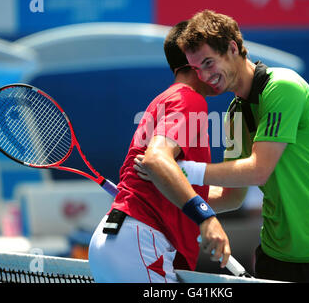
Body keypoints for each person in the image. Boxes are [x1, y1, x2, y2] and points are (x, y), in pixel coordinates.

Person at [137, 10, 309, 283]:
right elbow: (233, 196)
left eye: (209, 63)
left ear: (233, 48)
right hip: (274, 254)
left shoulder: (283, 87)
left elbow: (258, 170)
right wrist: (172, 195)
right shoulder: (234, 113)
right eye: (197, 69)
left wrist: (182, 170)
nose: (205, 76)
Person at [88, 21, 231, 283]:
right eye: (214, 57)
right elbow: (156, 159)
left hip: (115, 240)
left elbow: (175, 181)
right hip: (137, 242)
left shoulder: (164, 100)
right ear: (194, 61)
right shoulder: (189, 99)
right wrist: (207, 219)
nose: (221, 67)